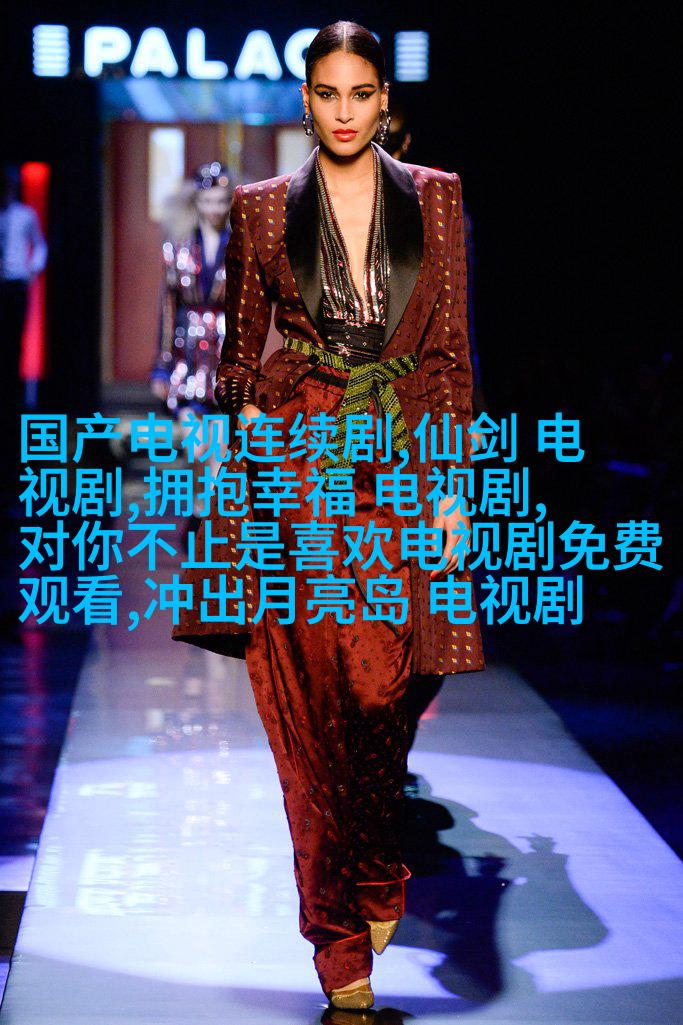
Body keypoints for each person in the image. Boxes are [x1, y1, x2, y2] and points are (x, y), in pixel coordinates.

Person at [171, 20, 486, 1009]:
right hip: (297, 464)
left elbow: (448, 352)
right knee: (308, 700)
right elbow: (235, 353)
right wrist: (241, 430)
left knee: (388, 686)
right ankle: (336, 941)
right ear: (304, 101)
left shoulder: (435, 196)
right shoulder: (263, 208)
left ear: (383, 99)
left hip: (400, 460)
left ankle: (377, 852)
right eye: (325, 93)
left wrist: (452, 484)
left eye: (360, 93)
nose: (343, 111)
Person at [149, 162, 232, 540]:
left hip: (226, 355)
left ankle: (206, 520)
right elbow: (168, 308)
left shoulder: (241, 245)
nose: (215, 207)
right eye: (208, 200)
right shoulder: (178, 248)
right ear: (195, 202)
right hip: (187, 358)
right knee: (195, 444)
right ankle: (200, 512)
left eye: (221, 200)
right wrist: (162, 365)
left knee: (219, 448)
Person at [0, 166, 48, 510]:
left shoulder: (25, 215)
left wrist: (31, 269)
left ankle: (14, 393)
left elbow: (40, 245)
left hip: (15, 282)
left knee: (15, 342)